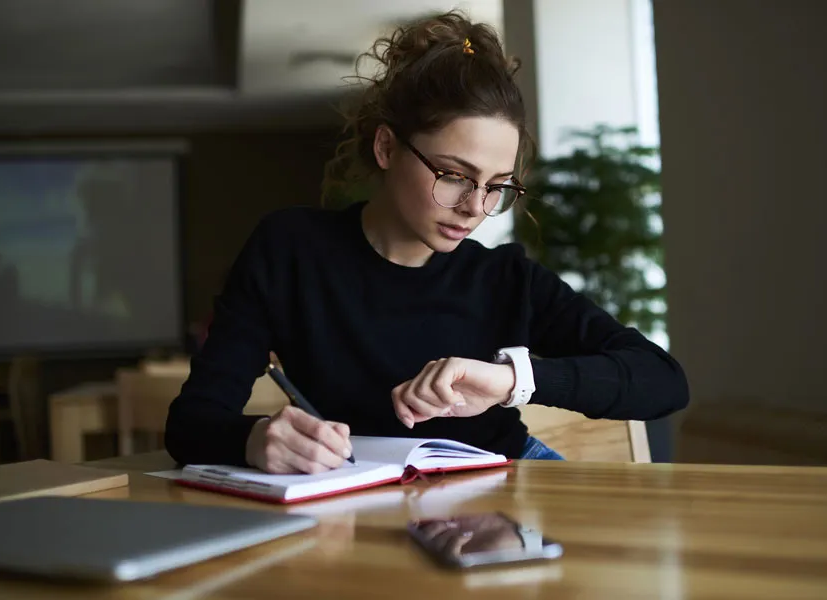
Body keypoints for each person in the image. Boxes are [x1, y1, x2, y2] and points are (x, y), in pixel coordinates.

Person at [164, 11, 688, 474]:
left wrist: (510, 380)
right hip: (361, 493)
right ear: (388, 147)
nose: (475, 208)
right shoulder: (290, 251)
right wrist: (255, 439)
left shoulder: (504, 277)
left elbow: (663, 380)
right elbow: (192, 424)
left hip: (505, 482)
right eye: (455, 175)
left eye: (496, 186)